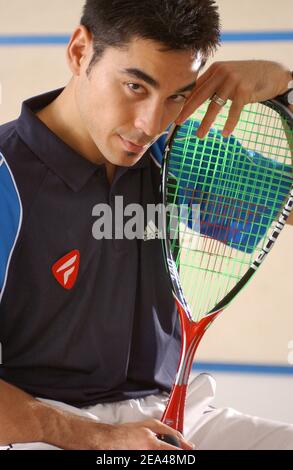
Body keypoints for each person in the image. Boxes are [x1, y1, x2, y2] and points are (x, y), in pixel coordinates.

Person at [0, 0, 292, 450]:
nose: (151, 124)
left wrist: (286, 84)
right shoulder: (4, 176)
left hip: (174, 420)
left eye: (178, 95)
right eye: (136, 85)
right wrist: (96, 437)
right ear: (80, 52)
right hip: (40, 427)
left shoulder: (180, 157)